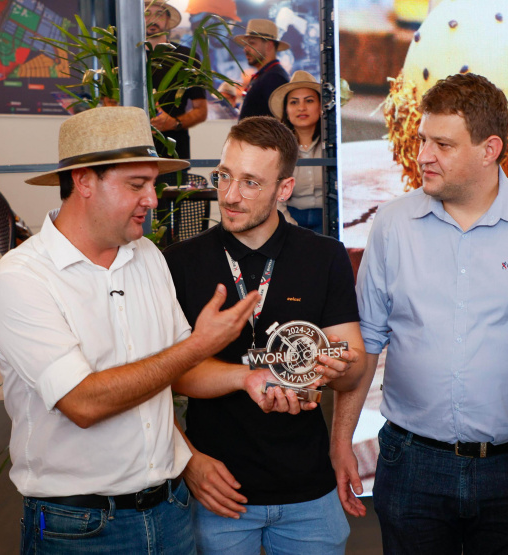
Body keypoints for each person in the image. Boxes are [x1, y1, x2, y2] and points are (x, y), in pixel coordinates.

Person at [0, 106, 259, 555]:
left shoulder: (146, 255)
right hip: (78, 528)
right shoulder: (21, 278)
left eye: (152, 183)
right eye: (137, 185)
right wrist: (199, 345)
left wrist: (246, 378)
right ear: (84, 181)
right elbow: (84, 401)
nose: (153, 199)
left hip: (170, 511)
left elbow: (177, 372)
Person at [351, 73, 508, 554]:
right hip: (410, 459)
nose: (422, 155)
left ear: (489, 149)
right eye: (422, 140)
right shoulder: (393, 225)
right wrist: (341, 441)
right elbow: (368, 342)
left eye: (442, 144)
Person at [162, 116, 366, 554]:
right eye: (224, 176)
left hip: (309, 494)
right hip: (219, 492)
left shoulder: (324, 256)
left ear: (285, 189)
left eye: (252, 183)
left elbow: (353, 369)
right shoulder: (179, 263)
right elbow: (170, 375)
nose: (230, 196)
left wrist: (340, 365)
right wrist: (190, 461)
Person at [145, 0, 207, 166]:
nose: (152, 19)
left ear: (167, 19)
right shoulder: (122, 56)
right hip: (131, 152)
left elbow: (201, 110)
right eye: (147, 13)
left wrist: (174, 123)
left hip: (173, 154)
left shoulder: (187, 56)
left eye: (159, 14)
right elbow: (110, 104)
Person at [269, 70, 324, 233]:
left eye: (309, 101)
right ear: (286, 110)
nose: (301, 108)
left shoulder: (332, 145)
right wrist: (291, 227)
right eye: (294, 102)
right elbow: (275, 196)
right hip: (290, 217)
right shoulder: (277, 147)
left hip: (329, 217)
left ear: (321, 106)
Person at [234, 19, 290, 120]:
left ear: (269, 45)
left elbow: (277, 122)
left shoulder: (274, 78)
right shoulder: (266, 75)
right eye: (245, 45)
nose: (245, 49)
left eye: (251, 43)